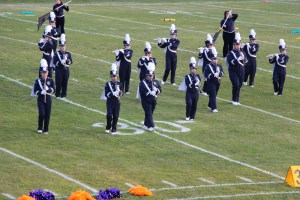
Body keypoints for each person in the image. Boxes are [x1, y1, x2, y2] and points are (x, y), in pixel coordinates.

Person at [33, 59, 55, 134]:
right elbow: (35, 91)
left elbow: (53, 90)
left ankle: (46, 129)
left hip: (48, 98)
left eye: (45, 73)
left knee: (47, 114)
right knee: (42, 113)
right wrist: (40, 92)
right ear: (41, 73)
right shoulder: (37, 81)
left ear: (48, 73)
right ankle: (40, 127)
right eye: (43, 73)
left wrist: (48, 89)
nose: (44, 74)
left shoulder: (51, 80)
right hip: (41, 99)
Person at [139, 62, 162, 131]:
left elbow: (160, 90)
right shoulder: (143, 82)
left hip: (153, 100)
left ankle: (146, 124)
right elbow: (142, 91)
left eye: (151, 75)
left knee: (150, 113)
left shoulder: (155, 82)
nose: (150, 77)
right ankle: (151, 126)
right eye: (149, 76)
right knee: (149, 112)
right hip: (145, 100)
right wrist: (149, 93)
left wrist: (157, 90)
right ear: (146, 75)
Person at [226, 32, 247, 105]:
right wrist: (238, 59)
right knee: (236, 84)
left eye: (238, 44)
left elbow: (246, 61)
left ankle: (237, 100)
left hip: (241, 71)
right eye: (236, 45)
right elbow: (231, 62)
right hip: (233, 71)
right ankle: (234, 99)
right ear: (234, 45)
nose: (238, 46)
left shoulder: (242, 52)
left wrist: (243, 58)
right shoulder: (230, 53)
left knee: (239, 85)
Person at [102, 63, 124, 134]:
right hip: (110, 101)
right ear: (111, 77)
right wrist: (112, 93)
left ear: (117, 76)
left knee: (116, 115)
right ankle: (108, 127)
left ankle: (114, 128)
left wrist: (119, 93)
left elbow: (122, 92)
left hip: (117, 101)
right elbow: (106, 94)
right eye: (113, 76)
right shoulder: (108, 84)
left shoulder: (120, 84)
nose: (114, 78)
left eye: (115, 76)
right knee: (109, 115)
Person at [204, 48, 225, 113]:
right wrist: (213, 75)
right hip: (210, 82)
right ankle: (214, 108)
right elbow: (206, 75)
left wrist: (219, 74)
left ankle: (210, 105)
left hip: (217, 82)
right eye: (214, 59)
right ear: (211, 59)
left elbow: (223, 73)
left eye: (216, 59)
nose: (215, 61)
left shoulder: (219, 66)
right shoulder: (208, 66)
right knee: (213, 94)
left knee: (214, 94)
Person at [53, 34, 73, 98]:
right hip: (59, 70)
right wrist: (60, 62)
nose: (63, 47)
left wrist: (67, 61)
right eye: (61, 46)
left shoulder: (68, 53)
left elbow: (70, 62)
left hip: (66, 70)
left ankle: (64, 94)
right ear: (59, 46)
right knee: (58, 82)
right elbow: (54, 62)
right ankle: (57, 94)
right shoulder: (57, 53)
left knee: (65, 82)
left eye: (64, 46)